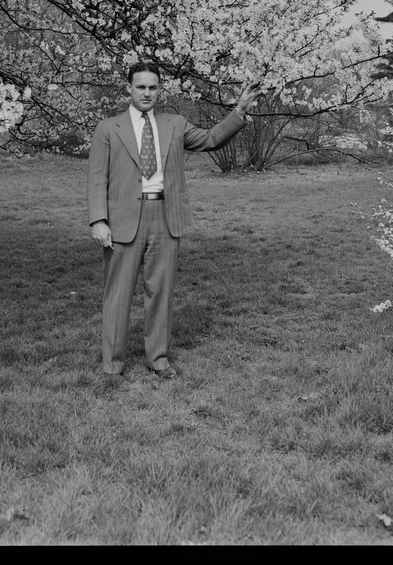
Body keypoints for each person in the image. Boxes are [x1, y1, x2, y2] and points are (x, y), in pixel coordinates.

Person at [86, 62, 262, 380]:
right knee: (118, 294)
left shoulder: (174, 124)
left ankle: (159, 359)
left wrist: (238, 112)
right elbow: (96, 179)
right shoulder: (108, 128)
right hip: (123, 220)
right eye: (140, 87)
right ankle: (112, 365)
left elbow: (210, 139)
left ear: (159, 90)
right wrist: (98, 219)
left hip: (165, 219)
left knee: (161, 292)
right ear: (129, 88)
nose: (147, 93)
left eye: (153, 87)